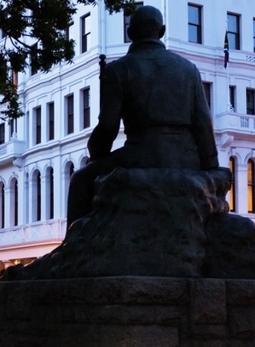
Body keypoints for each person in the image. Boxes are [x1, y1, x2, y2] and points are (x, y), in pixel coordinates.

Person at [65, 5, 219, 230]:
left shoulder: (118, 70)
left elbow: (108, 126)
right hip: (185, 158)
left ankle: (74, 252)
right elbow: (203, 123)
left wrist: (95, 155)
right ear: (162, 31)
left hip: (142, 155)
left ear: (130, 33)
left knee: (80, 181)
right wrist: (211, 166)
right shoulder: (189, 69)